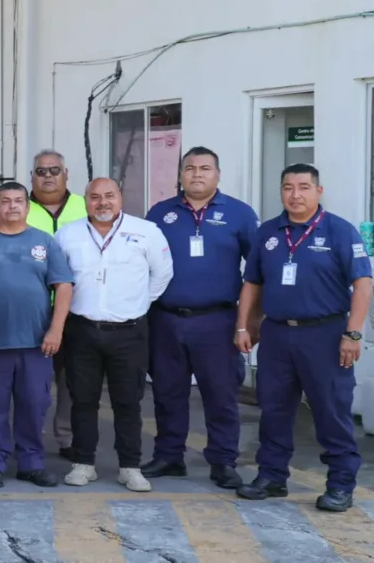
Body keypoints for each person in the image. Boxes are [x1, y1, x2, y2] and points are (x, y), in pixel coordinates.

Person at [235, 163, 372, 511]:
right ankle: (271, 476)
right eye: (287, 187)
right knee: (275, 407)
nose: (295, 195)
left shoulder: (340, 231)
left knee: (331, 410)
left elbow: (362, 285)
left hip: (325, 335)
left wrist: (353, 333)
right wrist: (244, 325)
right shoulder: (268, 233)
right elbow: (252, 283)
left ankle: (340, 484)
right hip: (278, 334)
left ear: (318, 191)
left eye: (303, 187)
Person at [143, 148, 254, 489]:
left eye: (205, 168)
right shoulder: (160, 214)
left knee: (220, 395)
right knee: (167, 392)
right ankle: (169, 456)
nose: (196, 174)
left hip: (217, 321)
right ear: (180, 174)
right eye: (189, 168)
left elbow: (257, 272)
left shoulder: (240, 214)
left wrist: (249, 322)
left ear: (218, 175)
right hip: (166, 319)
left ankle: (223, 461)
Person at [55, 178, 172, 492]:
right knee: (82, 400)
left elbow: (162, 274)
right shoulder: (68, 234)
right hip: (81, 329)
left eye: (109, 196)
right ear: (86, 200)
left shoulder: (146, 232)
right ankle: (83, 464)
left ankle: (130, 467)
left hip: (129, 331)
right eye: (95, 197)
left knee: (128, 402)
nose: (102, 202)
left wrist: (137, 303)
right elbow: (57, 277)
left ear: (121, 197)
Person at [0, 182, 71, 489]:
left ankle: (31, 463)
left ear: (27, 206)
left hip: (36, 343)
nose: (13, 206)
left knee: (34, 404)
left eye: (19, 201)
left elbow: (63, 285)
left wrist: (56, 328)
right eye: (5, 201)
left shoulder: (45, 242)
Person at [25, 149, 86, 463]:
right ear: (31, 177)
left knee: (72, 379)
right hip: (32, 310)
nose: (47, 176)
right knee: (32, 381)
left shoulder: (84, 206)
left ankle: (67, 438)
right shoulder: (20, 207)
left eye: (54, 170)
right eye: (40, 171)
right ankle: (28, 439)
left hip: (77, 309)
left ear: (66, 174)